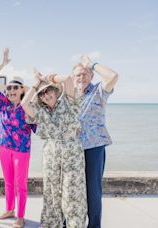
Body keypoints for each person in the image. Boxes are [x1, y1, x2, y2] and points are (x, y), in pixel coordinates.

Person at [22, 69, 87, 228]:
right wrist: (36, 85)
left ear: (55, 91)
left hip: (72, 152)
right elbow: (24, 103)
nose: (46, 95)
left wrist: (48, 78)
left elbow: (69, 80)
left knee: (73, 193)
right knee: (51, 194)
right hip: (51, 152)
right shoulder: (39, 111)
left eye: (48, 90)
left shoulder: (68, 102)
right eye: (42, 93)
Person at [0, 48, 36, 228]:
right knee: (8, 182)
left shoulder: (27, 107)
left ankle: (20, 217)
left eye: (16, 87)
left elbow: (38, 123)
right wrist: (2, 64)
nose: (12, 90)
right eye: (9, 87)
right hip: (4, 148)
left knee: (20, 185)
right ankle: (9, 210)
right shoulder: (3, 104)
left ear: (22, 90)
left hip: (21, 151)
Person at [73, 55, 118, 228]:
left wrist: (91, 64)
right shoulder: (68, 97)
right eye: (78, 75)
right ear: (72, 78)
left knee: (93, 192)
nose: (81, 77)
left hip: (94, 148)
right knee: (72, 191)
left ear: (92, 76)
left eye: (85, 74)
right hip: (72, 151)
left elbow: (113, 76)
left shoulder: (99, 91)